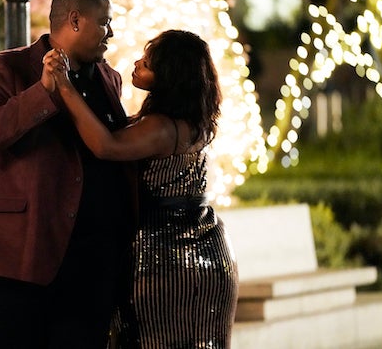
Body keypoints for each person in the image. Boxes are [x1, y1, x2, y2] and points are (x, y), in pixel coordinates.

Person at [0, 0, 137, 349]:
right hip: (22, 255)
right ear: (75, 20)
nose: (111, 32)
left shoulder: (110, 78)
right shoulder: (4, 67)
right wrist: (42, 92)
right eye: (105, 22)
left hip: (93, 261)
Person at [45, 29, 239, 348]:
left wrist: (64, 85)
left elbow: (106, 146)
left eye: (147, 63)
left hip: (166, 257)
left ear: (169, 76)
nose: (137, 64)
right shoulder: (195, 119)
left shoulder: (161, 127)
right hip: (208, 250)